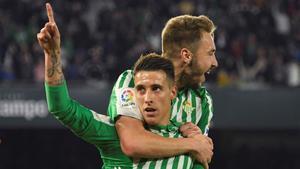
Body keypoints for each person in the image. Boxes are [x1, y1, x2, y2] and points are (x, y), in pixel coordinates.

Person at [37, 3, 212, 168]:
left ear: (173, 92)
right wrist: (52, 55)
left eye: (156, 89)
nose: (147, 98)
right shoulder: (115, 136)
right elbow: (62, 108)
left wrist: (194, 141)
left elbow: (201, 159)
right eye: (140, 90)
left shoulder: (189, 134)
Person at [107, 10, 218, 169]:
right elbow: (132, 143)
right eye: (210, 53)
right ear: (186, 55)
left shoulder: (202, 100)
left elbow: (201, 157)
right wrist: (191, 143)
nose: (215, 63)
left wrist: (196, 146)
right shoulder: (132, 81)